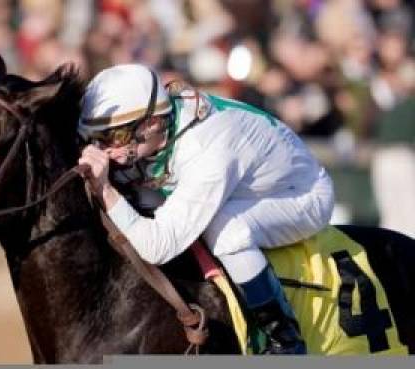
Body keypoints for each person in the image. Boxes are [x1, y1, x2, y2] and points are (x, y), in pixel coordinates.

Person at [77, 64, 335, 354]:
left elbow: (157, 246)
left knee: (226, 229)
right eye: (97, 139)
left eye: (116, 137)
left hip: (302, 195)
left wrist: (106, 191)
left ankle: (285, 340)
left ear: (151, 123)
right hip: (246, 185)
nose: (106, 149)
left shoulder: (206, 146)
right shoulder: (161, 127)